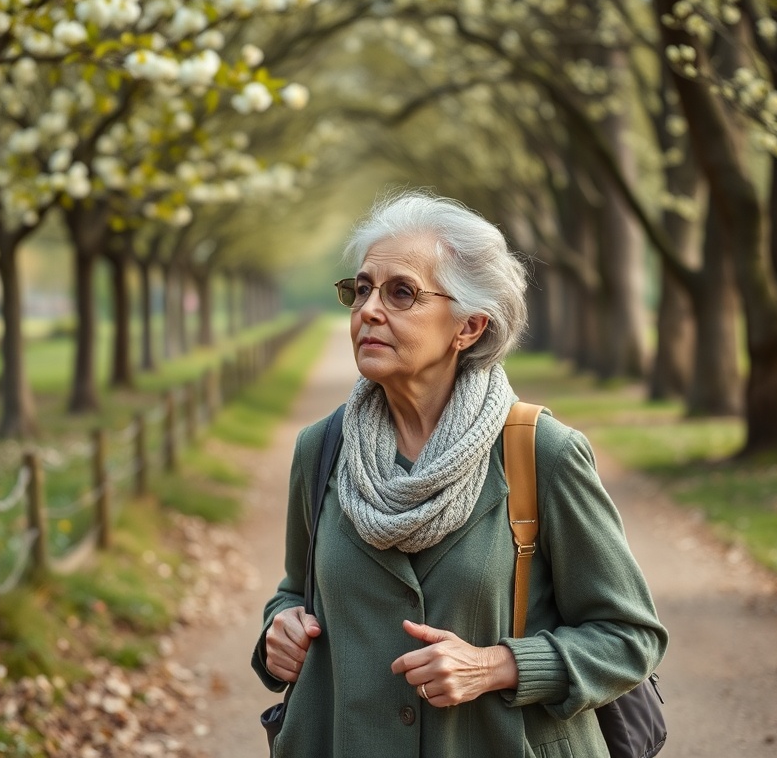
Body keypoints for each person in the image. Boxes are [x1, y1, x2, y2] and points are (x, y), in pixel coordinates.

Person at [251, 190, 668, 757]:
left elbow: (629, 636)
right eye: (362, 289)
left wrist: (496, 666)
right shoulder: (322, 449)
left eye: (401, 292)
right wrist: (279, 629)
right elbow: (296, 590)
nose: (369, 310)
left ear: (468, 327)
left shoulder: (542, 453)